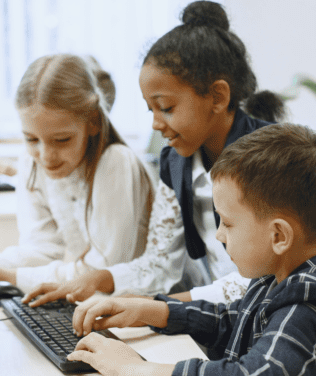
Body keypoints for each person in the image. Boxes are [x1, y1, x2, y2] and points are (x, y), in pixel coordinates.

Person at [67, 123, 316, 376]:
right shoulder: (285, 271)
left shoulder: (313, 300)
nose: (219, 235)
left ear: (279, 236)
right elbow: (238, 320)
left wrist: (132, 370)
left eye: (227, 223)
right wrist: (153, 310)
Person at [23, 0, 285, 307]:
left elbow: (262, 281)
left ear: (217, 96)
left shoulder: (274, 158)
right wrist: (96, 280)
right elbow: (159, 264)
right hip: (220, 318)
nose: (156, 124)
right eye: (151, 109)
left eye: (167, 108)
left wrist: (160, 308)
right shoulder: (175, 162)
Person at [0, 54, 154, 293]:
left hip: (145, 304)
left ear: (93, 122)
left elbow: (99, 274)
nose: (45, 156)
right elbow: (43, 249)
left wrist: (7, 276)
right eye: (31, 139)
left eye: (62, 140)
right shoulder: (31, 161)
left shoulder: (116, 163)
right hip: (101, 305)